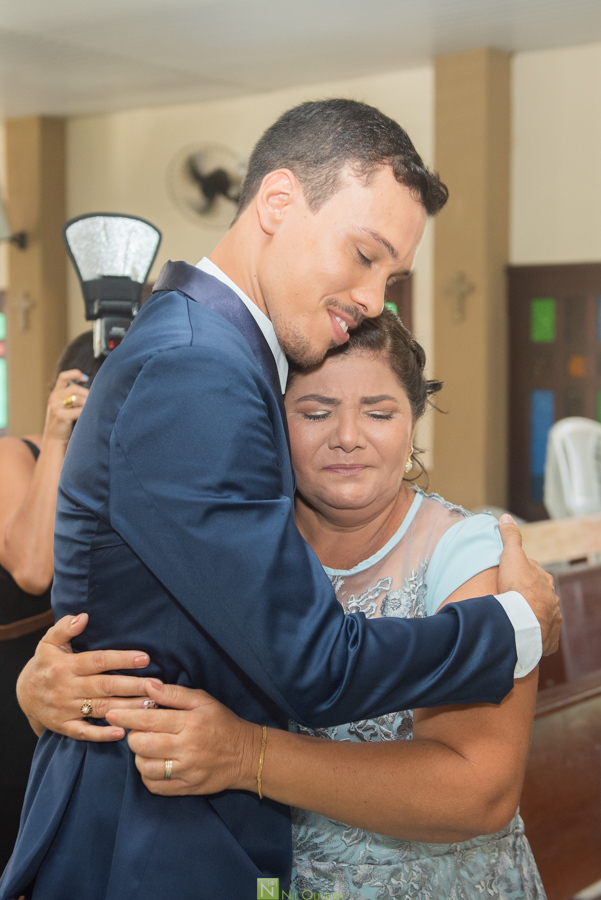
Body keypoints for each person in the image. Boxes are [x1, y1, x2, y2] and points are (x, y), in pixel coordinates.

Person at [2, 100, 559, 900]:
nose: (372, 297)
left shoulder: (212, 350)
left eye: (391, 277)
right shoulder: (201, 368)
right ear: (277, 202)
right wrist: (511, 627)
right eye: (363, 255)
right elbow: (311, 667)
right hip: (149, 844)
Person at [104, 310, 545, 898]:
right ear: (270, 421)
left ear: (413, 421)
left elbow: (479, 792)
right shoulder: (231, 546)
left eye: (380, 413)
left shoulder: (464, 550)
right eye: (315, 412)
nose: (347, 436)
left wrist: (246, 755)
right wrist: (52, 693)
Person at [0, 332, 102, 870]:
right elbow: (34, 569)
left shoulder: (120, 469)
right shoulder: (16, 454)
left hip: (72, 684)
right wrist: (57, 436)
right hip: (11, 681)